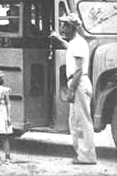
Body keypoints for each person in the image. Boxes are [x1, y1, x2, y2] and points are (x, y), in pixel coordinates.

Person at [50, 13, 96, 165]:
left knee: (82, 121)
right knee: (76, 121)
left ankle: (87, 156)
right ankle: (82, 154)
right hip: (78, 83)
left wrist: (71, 90)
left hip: (78, 83)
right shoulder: (76, 43)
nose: (62, 27)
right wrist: (58, 39)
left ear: (72, 27)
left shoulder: (78, 43)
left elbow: (78, 70)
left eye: (65, 25)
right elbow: (69, 48)